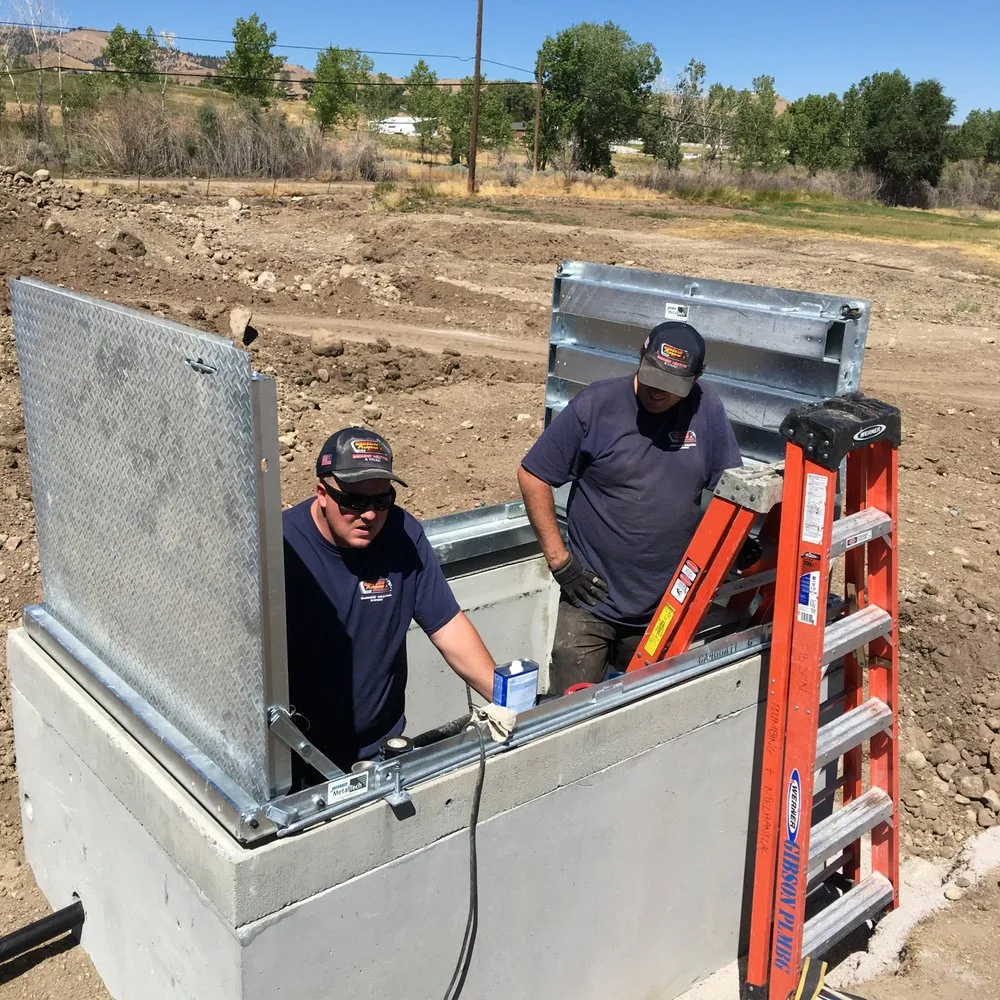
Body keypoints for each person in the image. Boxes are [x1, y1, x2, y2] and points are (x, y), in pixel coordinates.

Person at [517, 321, 743, 694]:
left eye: (671, 387)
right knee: (572, 717)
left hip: (666, 606)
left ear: (696, 379)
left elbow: (730, 487)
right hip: (589, 601)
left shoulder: (706, 411)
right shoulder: (596, 407)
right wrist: (560, 563)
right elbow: (533, 475)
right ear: (641, 356)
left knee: (651, 716)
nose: (657, 392)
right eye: (652, 377)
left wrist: (738, 544)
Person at [282, 426, 496, 773]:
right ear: (322, 492)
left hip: (381, 751)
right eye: (353, 501)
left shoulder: (402, 536)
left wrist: (508, 703)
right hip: (301, 757)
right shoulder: (283, 549)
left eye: (382, 501)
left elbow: (449, 627)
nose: (369, 515)